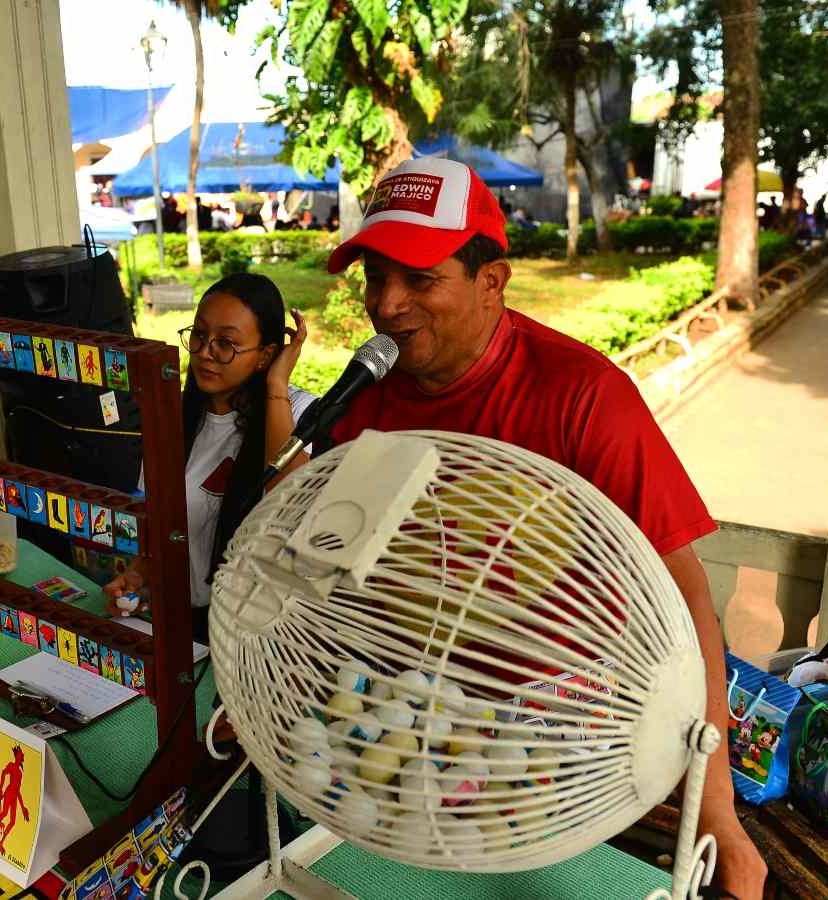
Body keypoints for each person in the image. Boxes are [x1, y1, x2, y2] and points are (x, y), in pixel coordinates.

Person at [321, 157, 767, 900]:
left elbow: (688, 605)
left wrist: (715, 808)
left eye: (419, 279)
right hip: (406, 731)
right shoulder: (366, 399)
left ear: (492, 282)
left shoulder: (585, 398)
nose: (387, 305)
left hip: (565, 751)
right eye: (374, 277)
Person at [103, 273, 313, 642]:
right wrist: (140, 575)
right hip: (191, 628)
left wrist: (276, 385)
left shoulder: (297, 411)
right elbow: (161, 526)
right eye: (199, 335)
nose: (204, 352)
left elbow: (293, 503)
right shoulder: (173, 418)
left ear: (266, 355)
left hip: (262, 639)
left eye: (227, 343)